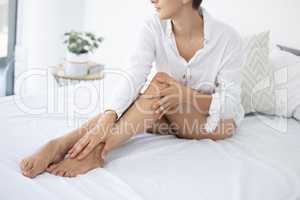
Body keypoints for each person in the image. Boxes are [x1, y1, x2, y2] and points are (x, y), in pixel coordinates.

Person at [20, 0, 245, 178]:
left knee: (159, 84)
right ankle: (59, 145)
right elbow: (133, 77)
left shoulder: (228, 38)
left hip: (213, 122)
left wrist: (185, 95)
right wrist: (109, 116)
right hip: (166, 113)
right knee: (137, 103)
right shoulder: (153, 27)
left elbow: (232, 102)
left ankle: (97, 152)